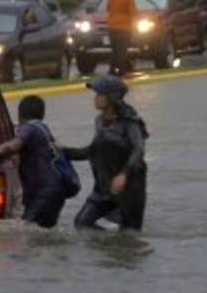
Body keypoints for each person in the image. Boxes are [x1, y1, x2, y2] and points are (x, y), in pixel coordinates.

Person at [64, 76, 149, 235]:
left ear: (112, 98)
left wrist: (124, 175)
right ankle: (110, 243)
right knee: (82, 223)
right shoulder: (99, 121)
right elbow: (92, 151)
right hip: (104, 187)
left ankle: (119, 247)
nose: (95, 99)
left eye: (99, 94)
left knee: (130, 235)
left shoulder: (130, 122)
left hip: (130, 188)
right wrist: (65, 151)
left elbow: (138, 150)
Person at [0, 95, 67, 228]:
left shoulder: (29, 127)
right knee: (45, 233)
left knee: (26, 228)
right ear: (42, 113)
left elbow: (13, 146)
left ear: (20, 113)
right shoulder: (43, 128)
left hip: (44, 193)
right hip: (56, 191)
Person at [105, 0, 138, 76]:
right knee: (122, 50)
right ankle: (122, 71)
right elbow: (133, 13)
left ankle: (112, 70)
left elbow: (107, 8)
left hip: (111, 27)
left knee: (115, 49)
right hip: (124, 27)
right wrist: (135, 27)